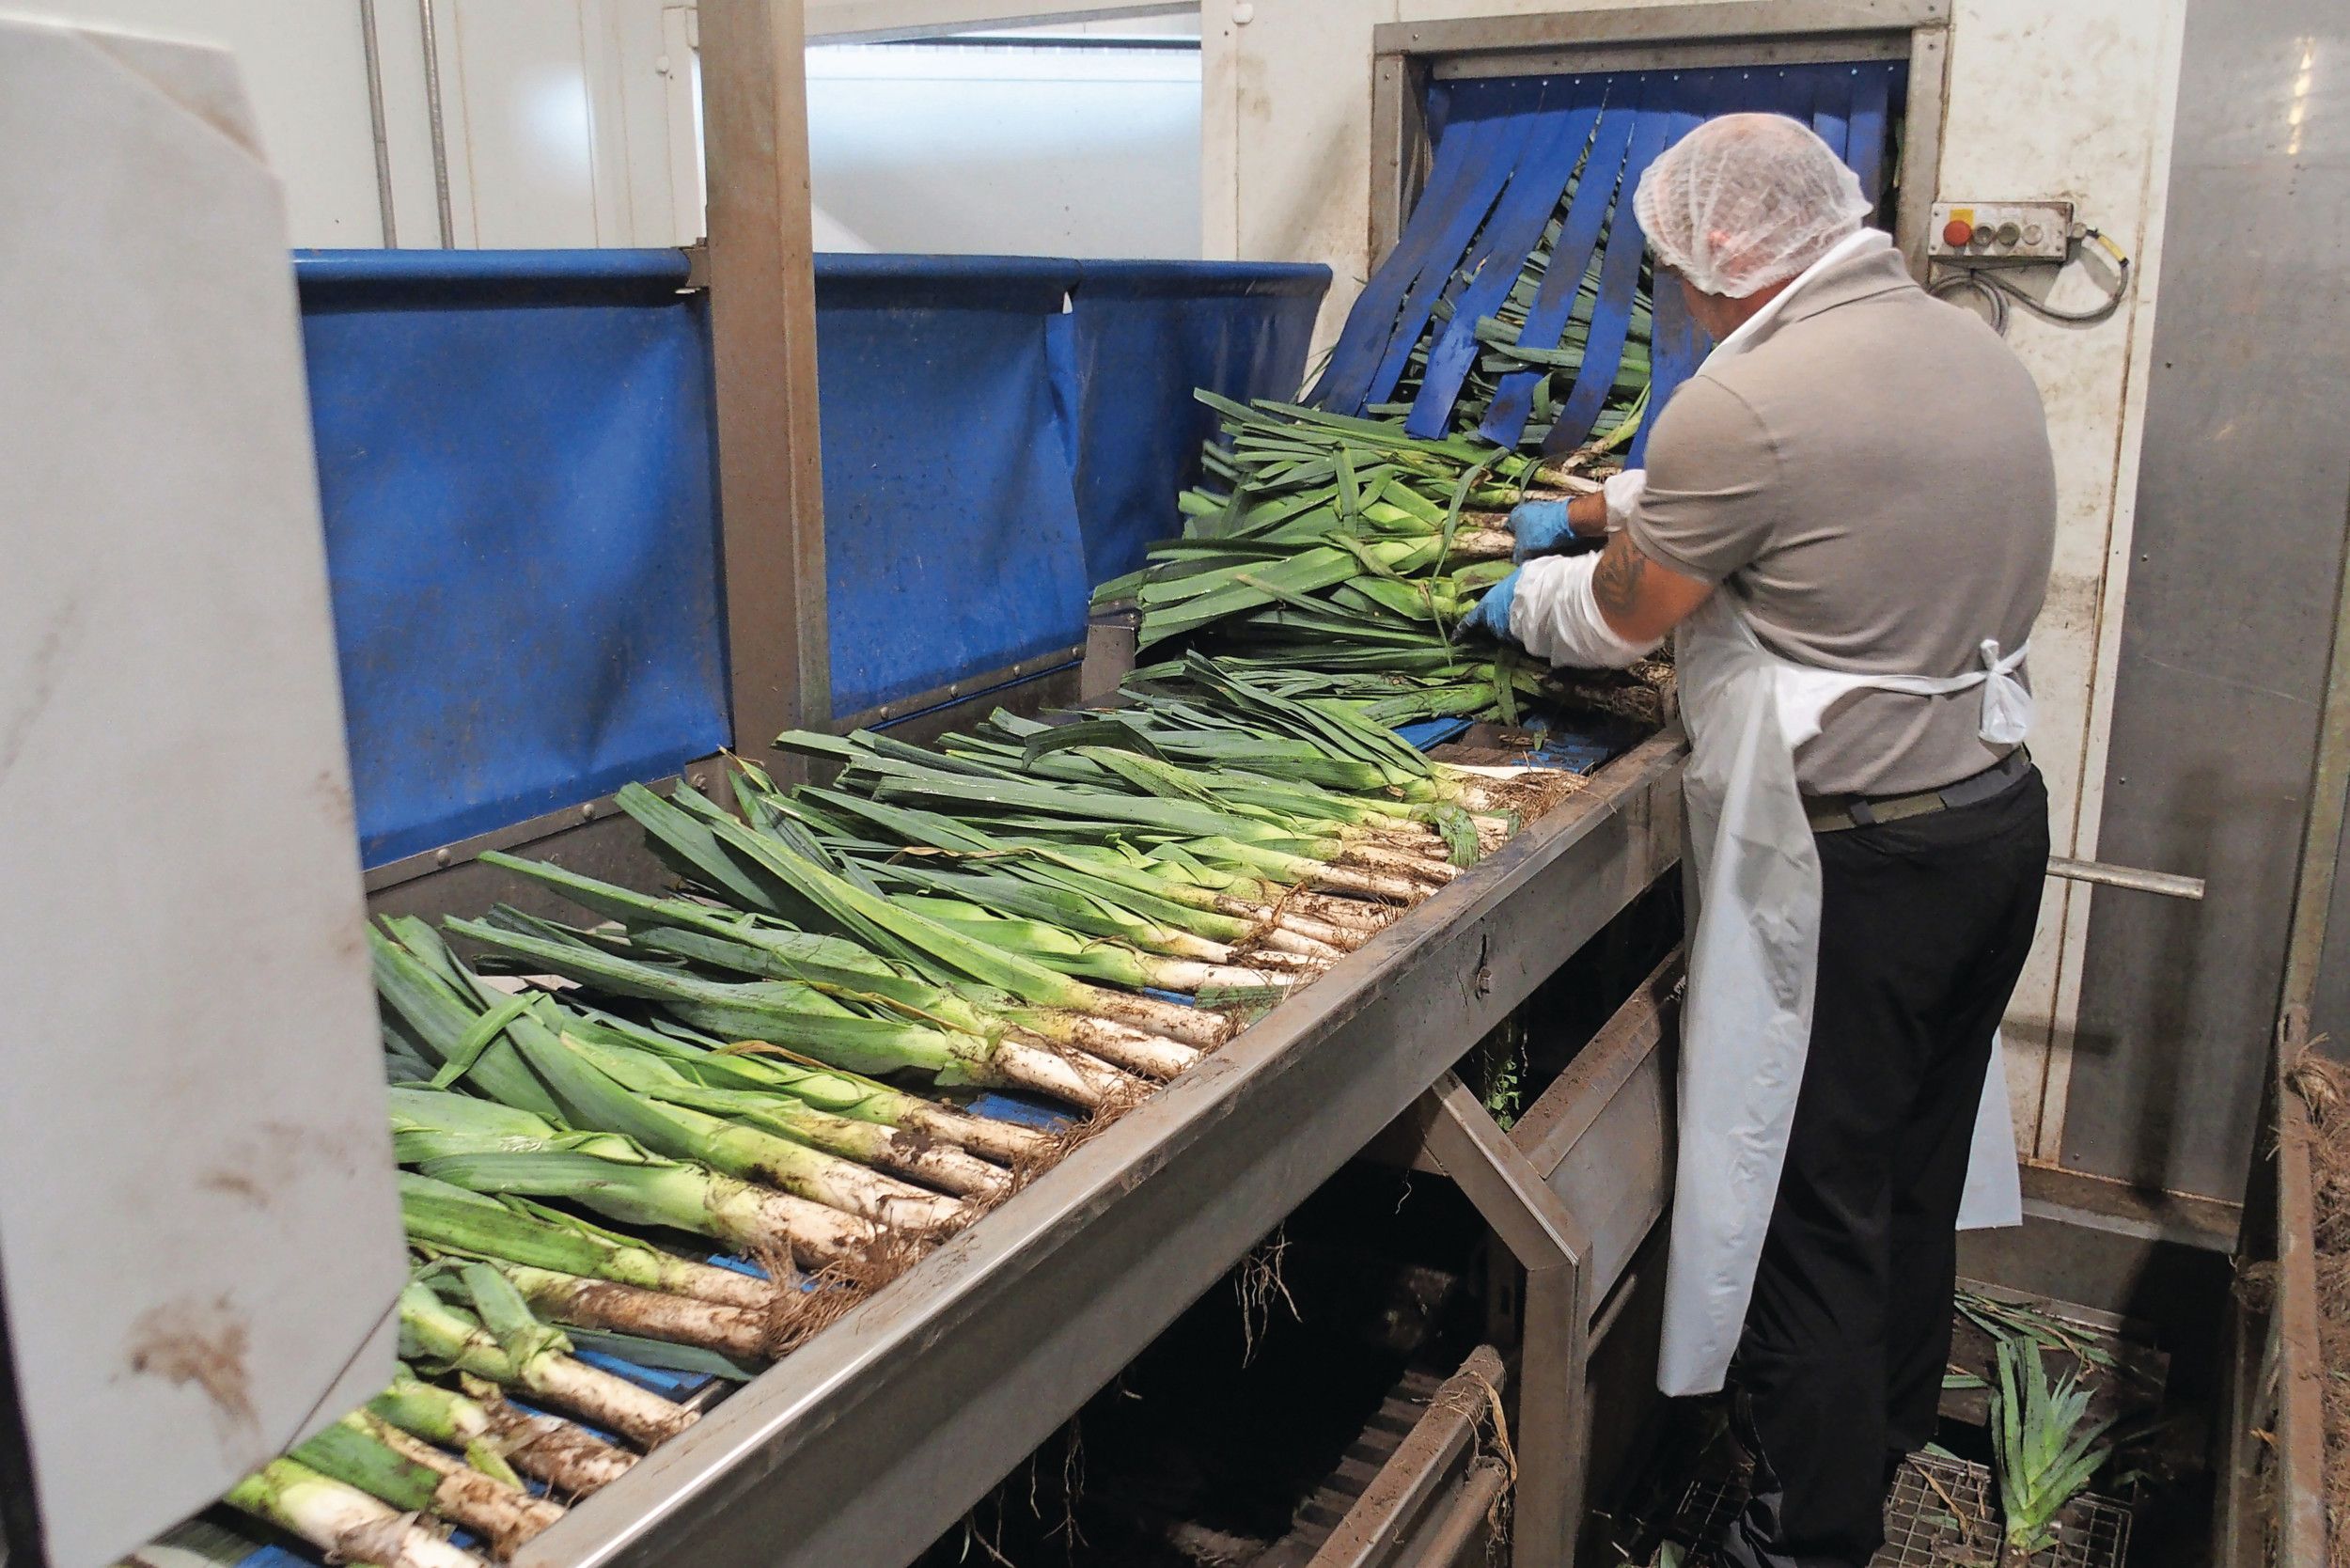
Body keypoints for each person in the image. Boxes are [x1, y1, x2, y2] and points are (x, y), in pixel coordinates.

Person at [1463, 114, 2054, 1568]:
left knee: (1814, 1202)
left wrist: (1527, 592)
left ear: (1727, 252)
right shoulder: (1962, 349)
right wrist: (1607, 499)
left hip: (1860, 861)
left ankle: (1803, 1533)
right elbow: (1829, 506)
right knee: (1906, 1172)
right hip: (1990, 821)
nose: (1671, 297)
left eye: (1672, 268)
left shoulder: (1754, 398)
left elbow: (1622, 615)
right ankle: (1884, 1430)